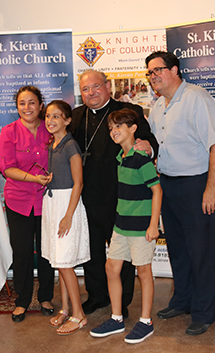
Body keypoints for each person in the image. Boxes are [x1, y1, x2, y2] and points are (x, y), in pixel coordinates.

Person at [145, 51, 215, 335]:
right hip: (169, 184)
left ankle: (204, 313)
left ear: (175, 70)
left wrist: (211, 188)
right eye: (150, 72)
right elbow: (160, 145)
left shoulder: (196, 98)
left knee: (200, 251)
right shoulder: (157, 107)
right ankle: (182, 300)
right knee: (178, 249)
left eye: (159, 70)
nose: (154, 76)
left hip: (197, 184)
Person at [70, 69, 159, 317]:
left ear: (107, 86)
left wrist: (148, 147)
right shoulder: (77, 116)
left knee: (125, 254)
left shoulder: (128, 112)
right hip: (87, 195)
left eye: (96, 86)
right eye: (85, 89)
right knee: (93, 251)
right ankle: (97, 296)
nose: (91, 93)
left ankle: (125, 301)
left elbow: (150, 142)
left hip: (121, 196)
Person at [90, 108, 162, 344]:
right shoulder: (120, 159)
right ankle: (117, 317)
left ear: (133, 129)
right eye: (111, 128)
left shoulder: (142, 159)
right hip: (121, 226)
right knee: (112, 269)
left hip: (141, 228)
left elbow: (157, 190)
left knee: (143, 271)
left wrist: (153, 225)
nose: (114, 131)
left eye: (119, 126)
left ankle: (145, 322)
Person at [0, 86, 55, 323]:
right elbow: (6, 168)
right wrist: (33, 178)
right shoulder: (8, 132)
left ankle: (45, 297)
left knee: (46, 252)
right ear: (17, 106)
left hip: (47, 201)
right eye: (22, 103)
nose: (27, 108)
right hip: (18, 200)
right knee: (21, 252)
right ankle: (22, 301)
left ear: (41, 105)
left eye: (32, 102)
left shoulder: (51, 128)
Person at [42, 100, 90, 335]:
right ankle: (65, 308)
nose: (51, 121)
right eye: (48, 116)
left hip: (66, 205)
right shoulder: (53, 144)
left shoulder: (71, 145)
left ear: (67, 121)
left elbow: (78, 182)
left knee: (66, 263)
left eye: (56, 117)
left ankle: (79, 315)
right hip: (52, 204)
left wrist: (68, 215)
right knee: (58, 262)